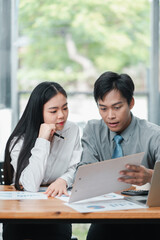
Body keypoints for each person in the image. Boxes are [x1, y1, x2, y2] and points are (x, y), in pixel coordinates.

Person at [78, 71, 160, 240]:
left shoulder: (153, 134)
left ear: (131, 103)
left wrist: (151, 175)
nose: (110, 116)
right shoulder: (93, 130)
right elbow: (85, 173)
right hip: (105, 218)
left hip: (145, 220)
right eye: (103, 108)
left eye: (117, 107)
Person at [3, 81, 82, 240]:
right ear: (39, 113)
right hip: (21, 216)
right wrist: (43, 140)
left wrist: (63, 180)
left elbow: (76, 166)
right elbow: (30, 185)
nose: (61, 115)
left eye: (65, 108)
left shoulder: (72, 130)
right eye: (53, 111)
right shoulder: (18, 140)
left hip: (56, 211)